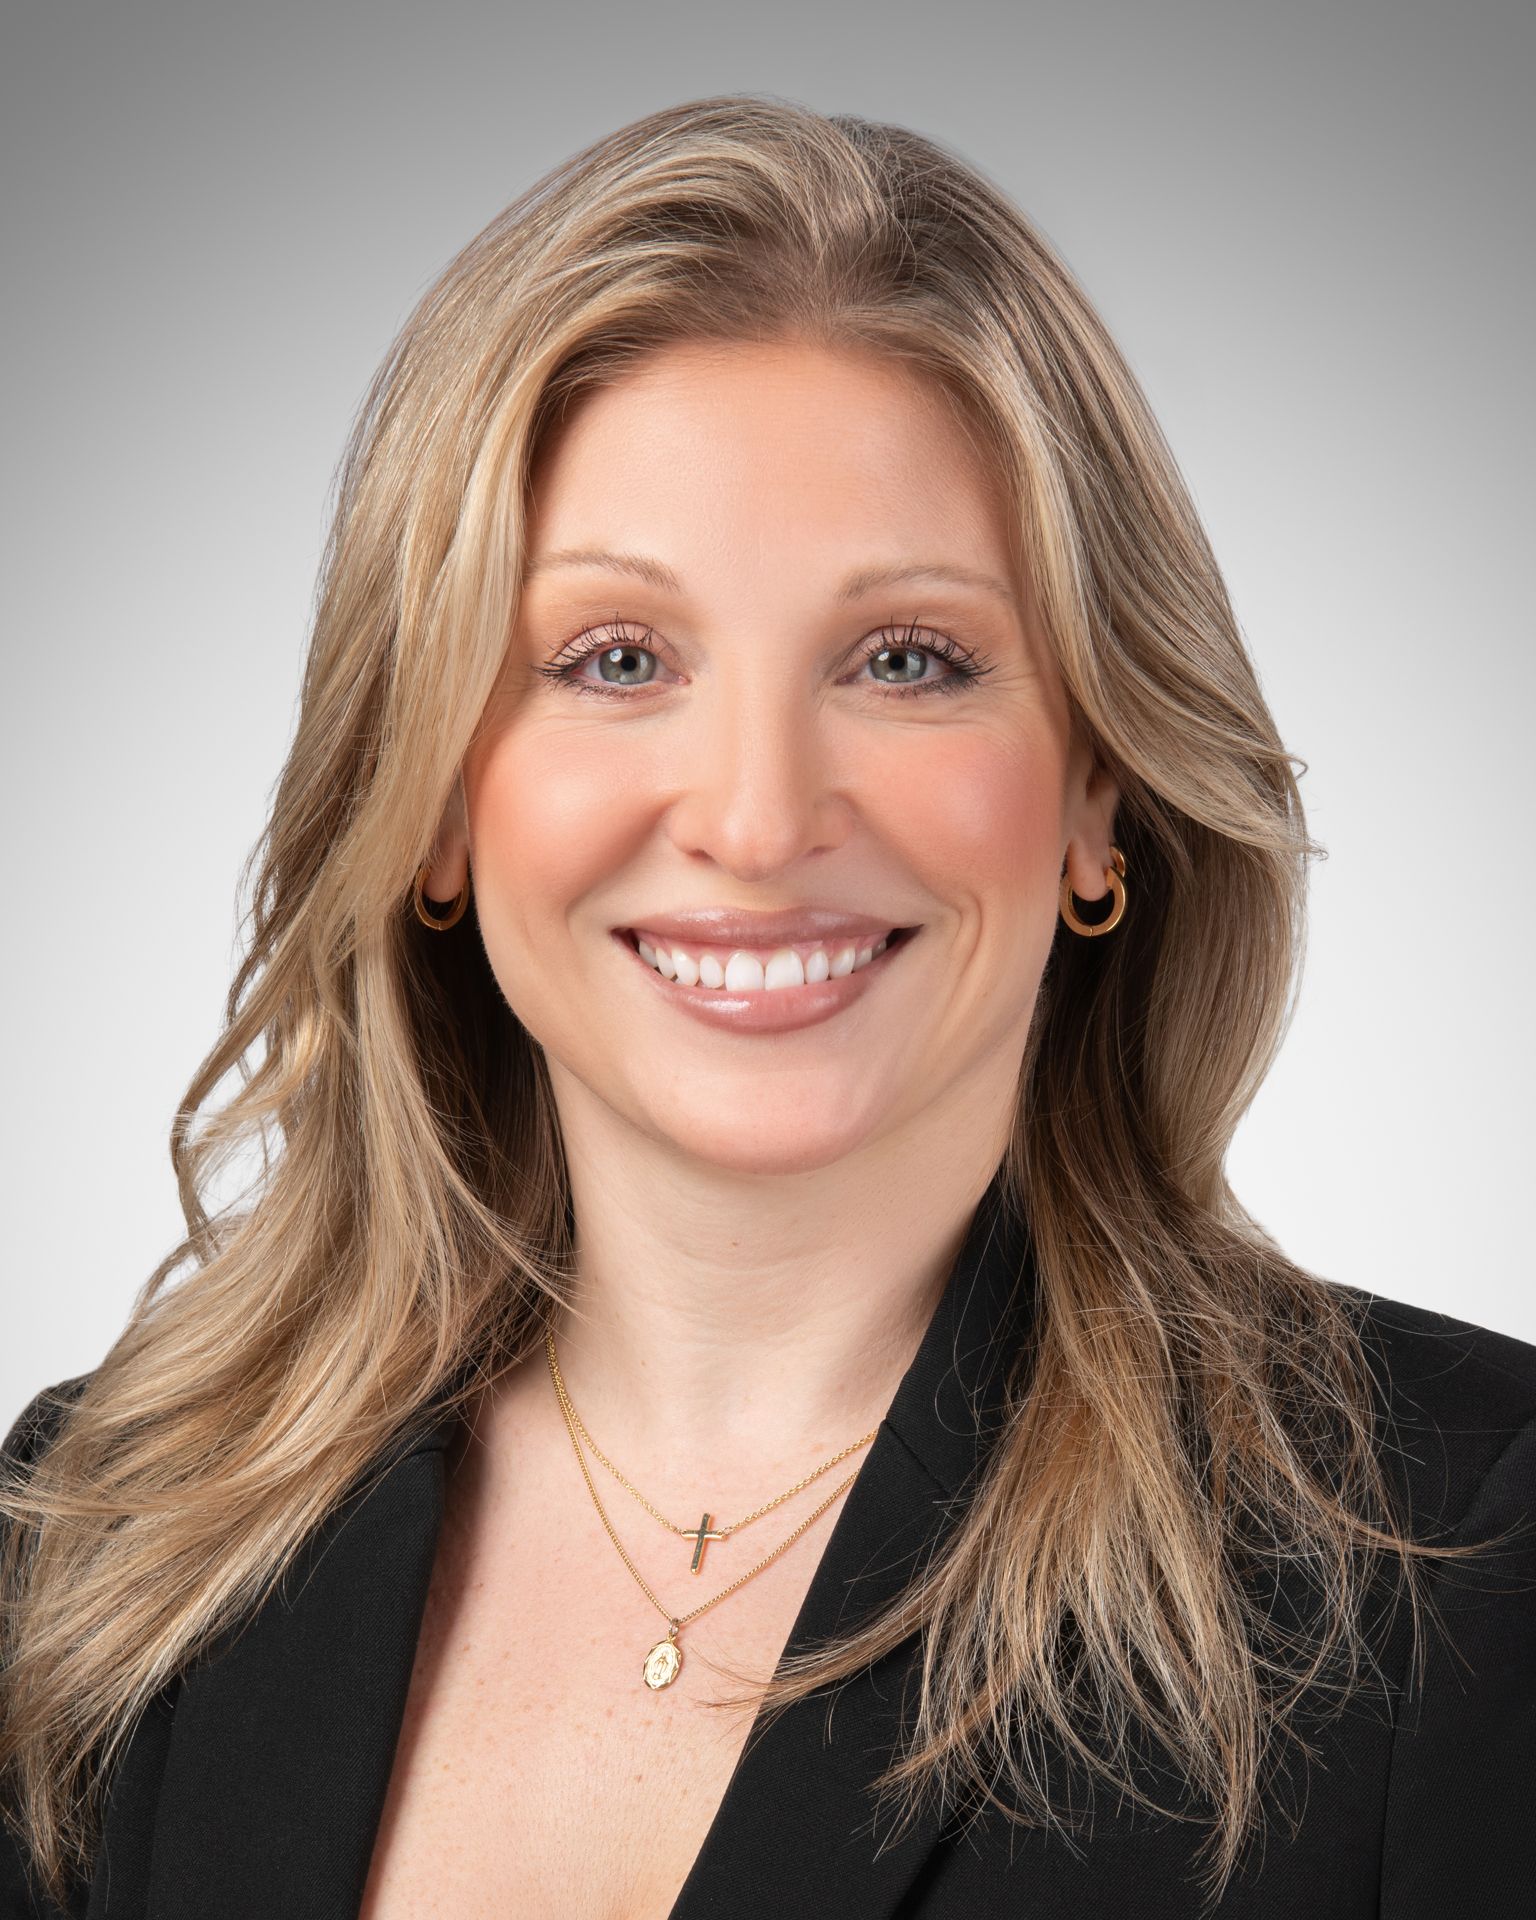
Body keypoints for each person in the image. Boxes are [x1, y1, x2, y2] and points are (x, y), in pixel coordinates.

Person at [2, 93, 1532, 1920]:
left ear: (1099, 794)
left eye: (908, 660)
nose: (753, 816)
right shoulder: (101, 1541)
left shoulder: (1465, 1561)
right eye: (614, 659)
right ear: (428, 801)